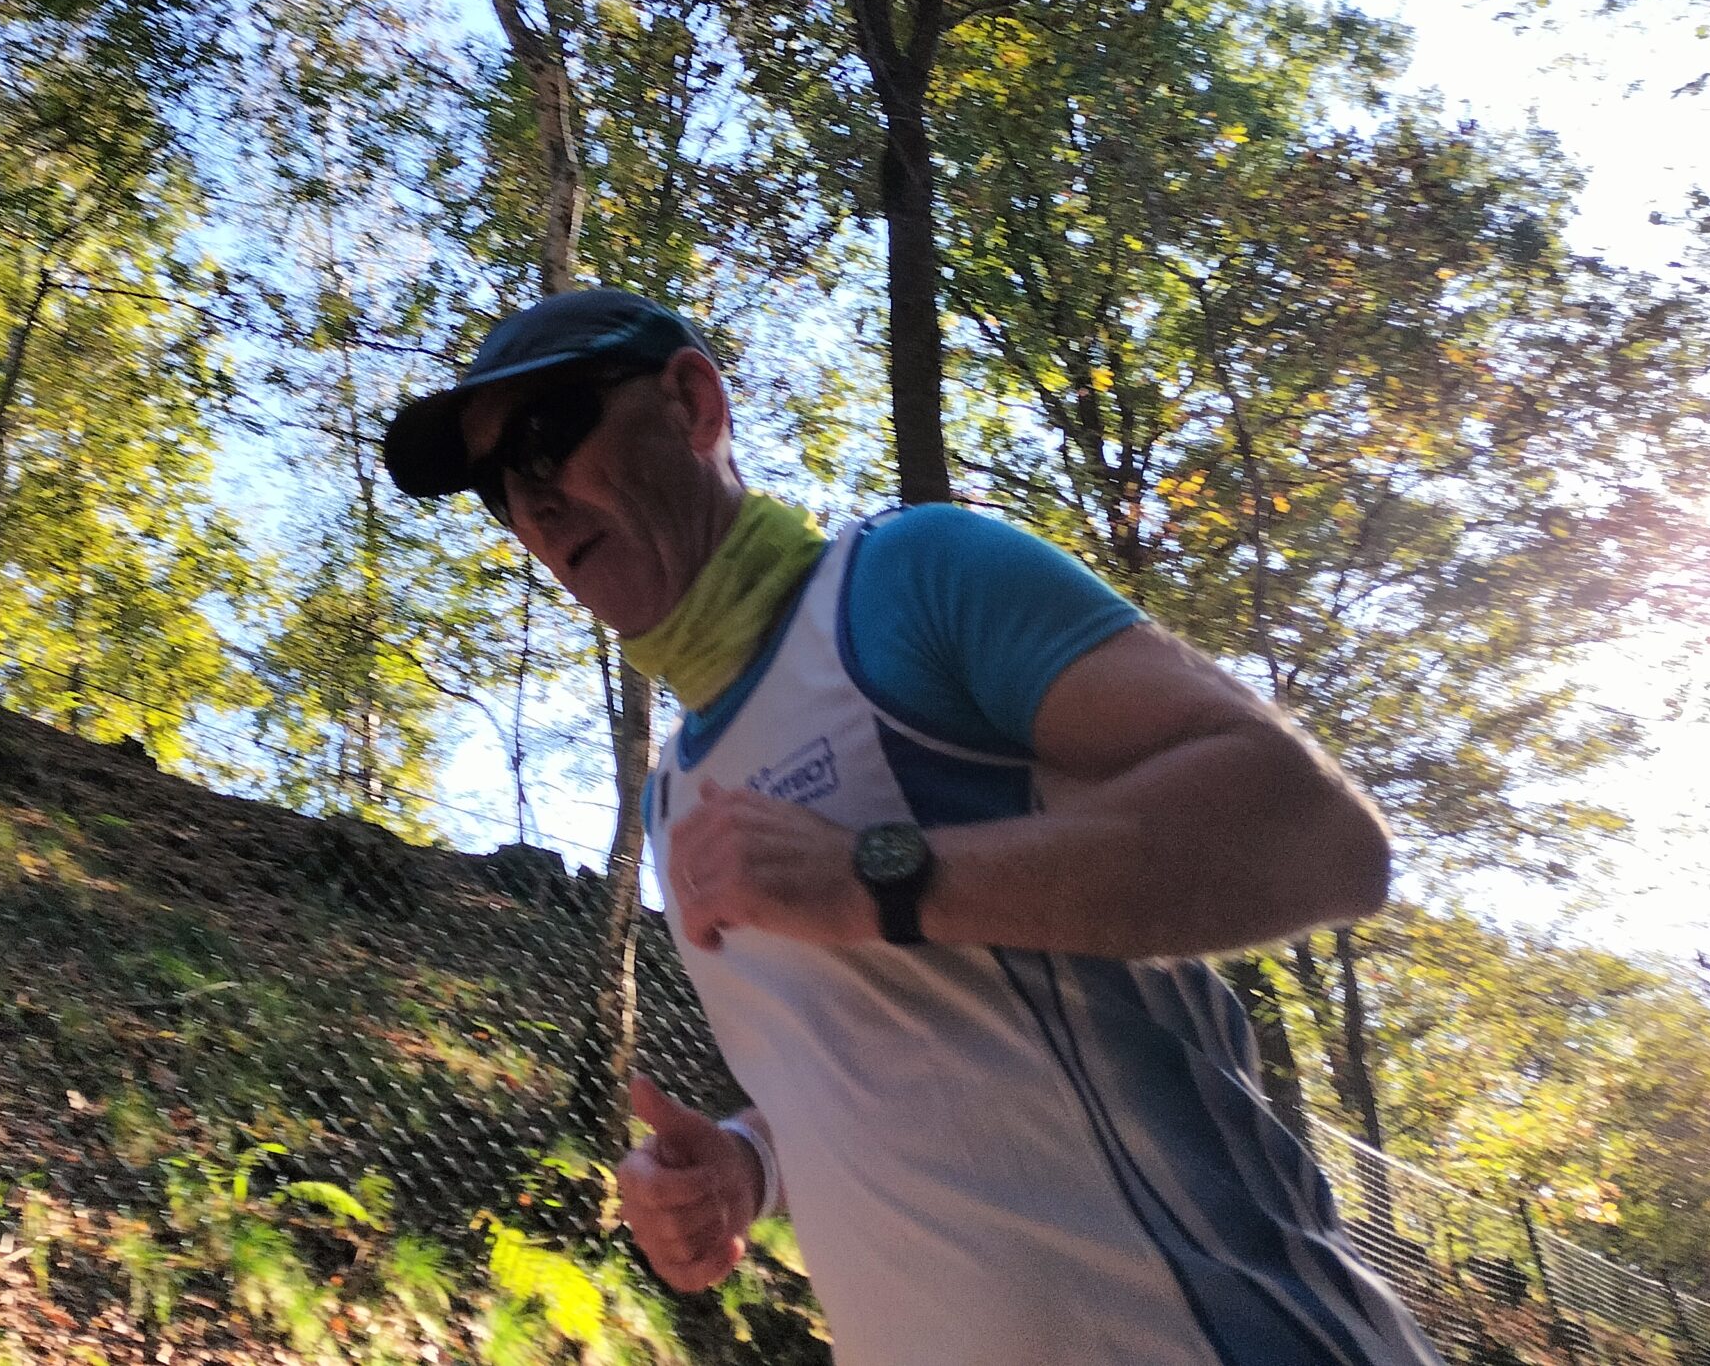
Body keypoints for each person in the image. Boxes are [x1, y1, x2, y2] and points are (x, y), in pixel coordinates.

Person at [383, 288, 1444, 1366]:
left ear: (692, 403)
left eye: (547, 436)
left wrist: (880, 876)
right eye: (496, 487)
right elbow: (908, 1063)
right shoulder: (674, 797)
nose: (533, 502)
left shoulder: (908, 581)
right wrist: (750, 1166)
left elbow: (1321, 835)